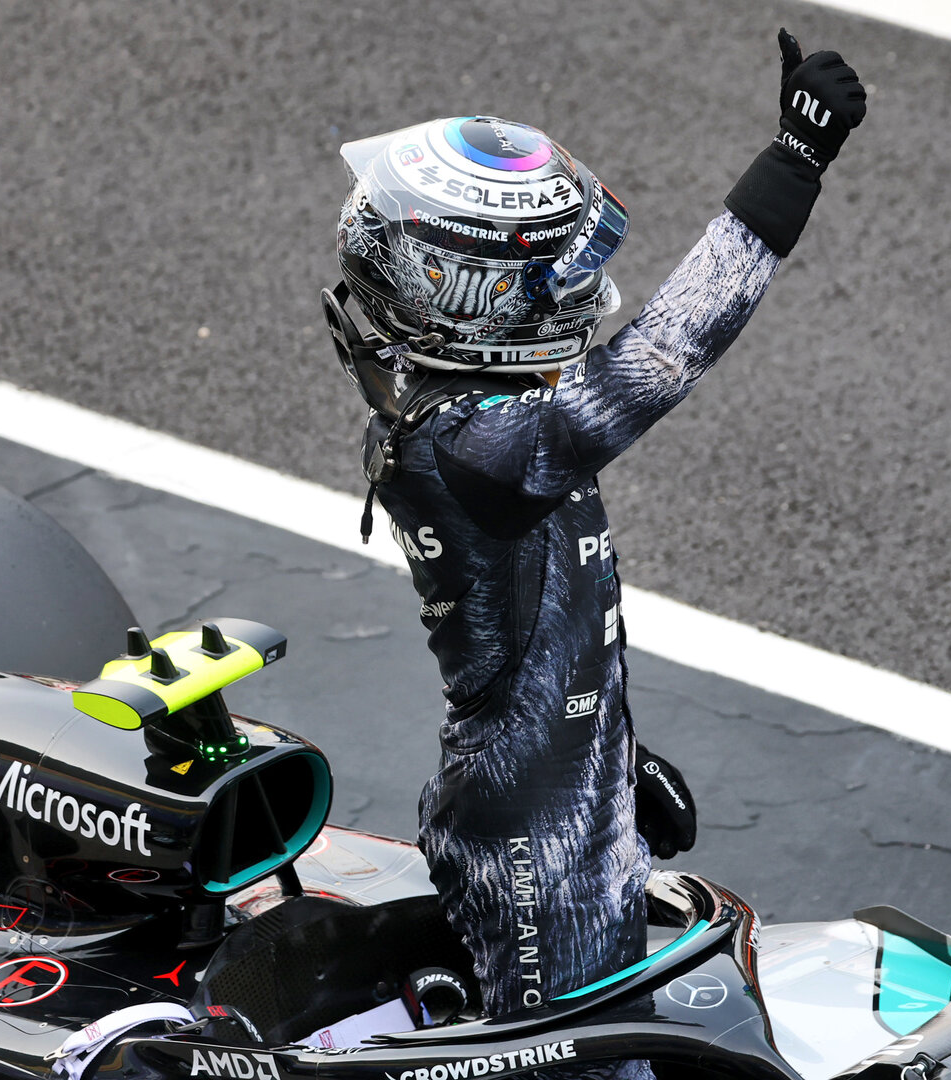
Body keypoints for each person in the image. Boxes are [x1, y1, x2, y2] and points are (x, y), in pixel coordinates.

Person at [322, 29, 866, 1079]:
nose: (570, 297)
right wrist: (790, 165)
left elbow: (555, 640)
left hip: (559, 797)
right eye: (543, 279)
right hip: (536, 844)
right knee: (574, 1068)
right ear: (468, 293)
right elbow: (663, 353)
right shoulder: (474, 448)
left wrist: (615, 766)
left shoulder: (464, 413)